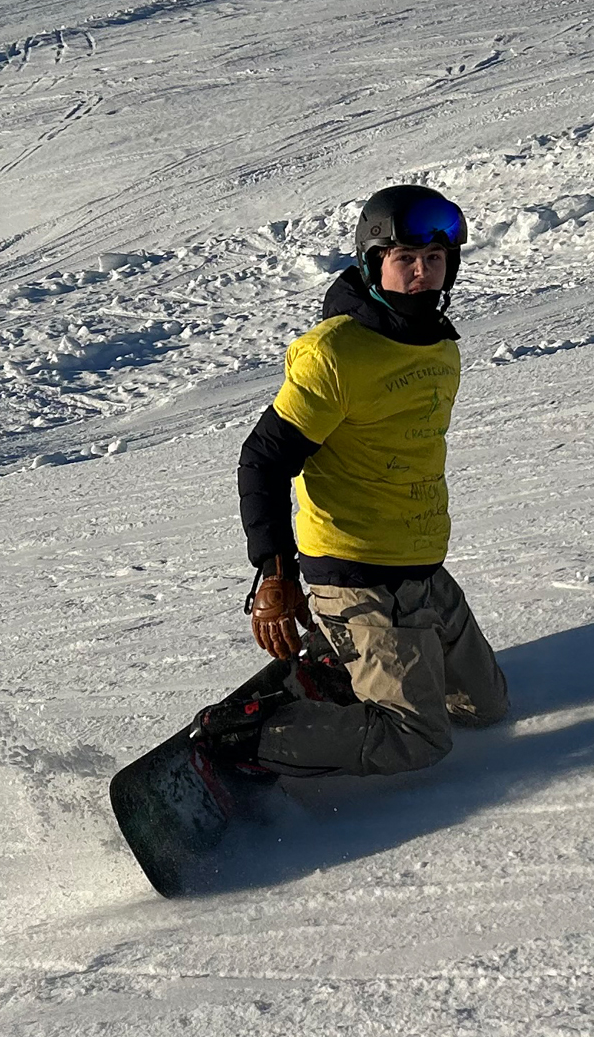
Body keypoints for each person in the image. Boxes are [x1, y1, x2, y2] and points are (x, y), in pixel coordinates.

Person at [195, 184, 509, 778]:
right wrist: (275, 571)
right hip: (355, 572)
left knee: (485, 708)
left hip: (419, 568)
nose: (422, 273)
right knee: (418, 738)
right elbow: (263, 460)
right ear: (372, 263)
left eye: (435, 259)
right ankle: (242, 738)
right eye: (405, 259)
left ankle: (337, 668)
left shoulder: (439, 346)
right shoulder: (335, 354)